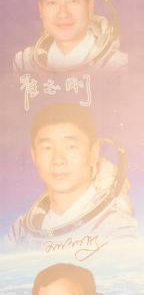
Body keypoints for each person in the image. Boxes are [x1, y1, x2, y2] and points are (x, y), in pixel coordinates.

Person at [8, 103, 136, 245]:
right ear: (34, 156)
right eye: (47, 148)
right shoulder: (20, 232)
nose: (58, 160)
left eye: (71, 147)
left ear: (93, 153)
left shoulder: (116, 228)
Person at [13, 0, 127, 74]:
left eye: (73, 1)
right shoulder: (24, 64)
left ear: (90, 7)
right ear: (41, 10)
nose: (63, 14)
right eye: (52, 3)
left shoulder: (117, 65)